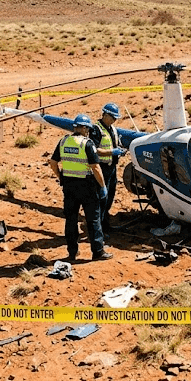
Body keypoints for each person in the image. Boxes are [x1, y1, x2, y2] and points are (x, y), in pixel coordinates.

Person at [50, 114, 113, 262]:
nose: (88, 132)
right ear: (84, 128)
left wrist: (61, 177)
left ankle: (72, 252)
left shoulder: (63, 141)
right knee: (93, 219)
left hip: (69, 186)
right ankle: (98, 252)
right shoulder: (87, 144)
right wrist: (103, 186)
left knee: (71, 219)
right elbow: (96, 168)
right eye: (88, 129)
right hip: (87, 186)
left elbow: (53, 163)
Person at [88, 102, 127, 233]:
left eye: (116, 118)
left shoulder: (112, 129)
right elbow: (95, 150)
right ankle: (98, 230)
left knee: (109, 196)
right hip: (101, 168)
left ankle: (105, 225)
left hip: (112, 168)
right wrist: (112, 152)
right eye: (113, 117)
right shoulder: (96, 129)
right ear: (105, 115)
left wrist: (119, 150)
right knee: (100, 199)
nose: (114, 120)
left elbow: (114, 143)